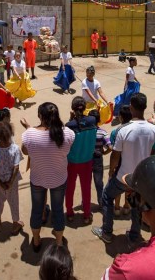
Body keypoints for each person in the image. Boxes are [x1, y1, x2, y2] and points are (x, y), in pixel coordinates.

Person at [92, 93, 155, 246]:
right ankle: (135, 235)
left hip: (123, 176)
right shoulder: (153, 129)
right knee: (136, 205)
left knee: (107, 197)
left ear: (132, 108)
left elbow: (115, 156)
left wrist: (110, 172)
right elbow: (152, 153)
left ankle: (107, 231)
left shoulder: (124, 130)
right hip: (141, 178)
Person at [22, 102, 75, 251]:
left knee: (37, 210)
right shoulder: (68, 133)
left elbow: (25, 151)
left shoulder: (30, 134)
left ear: (40, 116)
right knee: (58, 210)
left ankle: (37, 241)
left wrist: (28, 128)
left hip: (38, 179)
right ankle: (58, 243)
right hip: (59, 179)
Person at [64, 96, 98, 224]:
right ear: (85, 108)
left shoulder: (69, 126)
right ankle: (86, 214)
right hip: (87, 161)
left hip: (72, 162)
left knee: (70, 188)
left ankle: (70, 213)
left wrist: (71, 119)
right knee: (86, 188)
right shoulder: (92, 120)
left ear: (72, 109)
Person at [0, 121, 24, 236]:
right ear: (10, 133)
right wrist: (10, 182)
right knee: (14, 201)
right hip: (12, 182)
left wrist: (0, 182)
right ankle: (15, 224)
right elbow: (16, 167)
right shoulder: (15, 148)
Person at [89, 109, 112, 210]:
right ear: (99, 120)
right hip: (98, 159)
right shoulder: (102, 132)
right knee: (98, 182)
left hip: (87, 159)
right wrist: (104, 152)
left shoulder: (86, 133)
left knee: (86, 182)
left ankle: (86, 201)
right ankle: (101, 201)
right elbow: (110, 147)